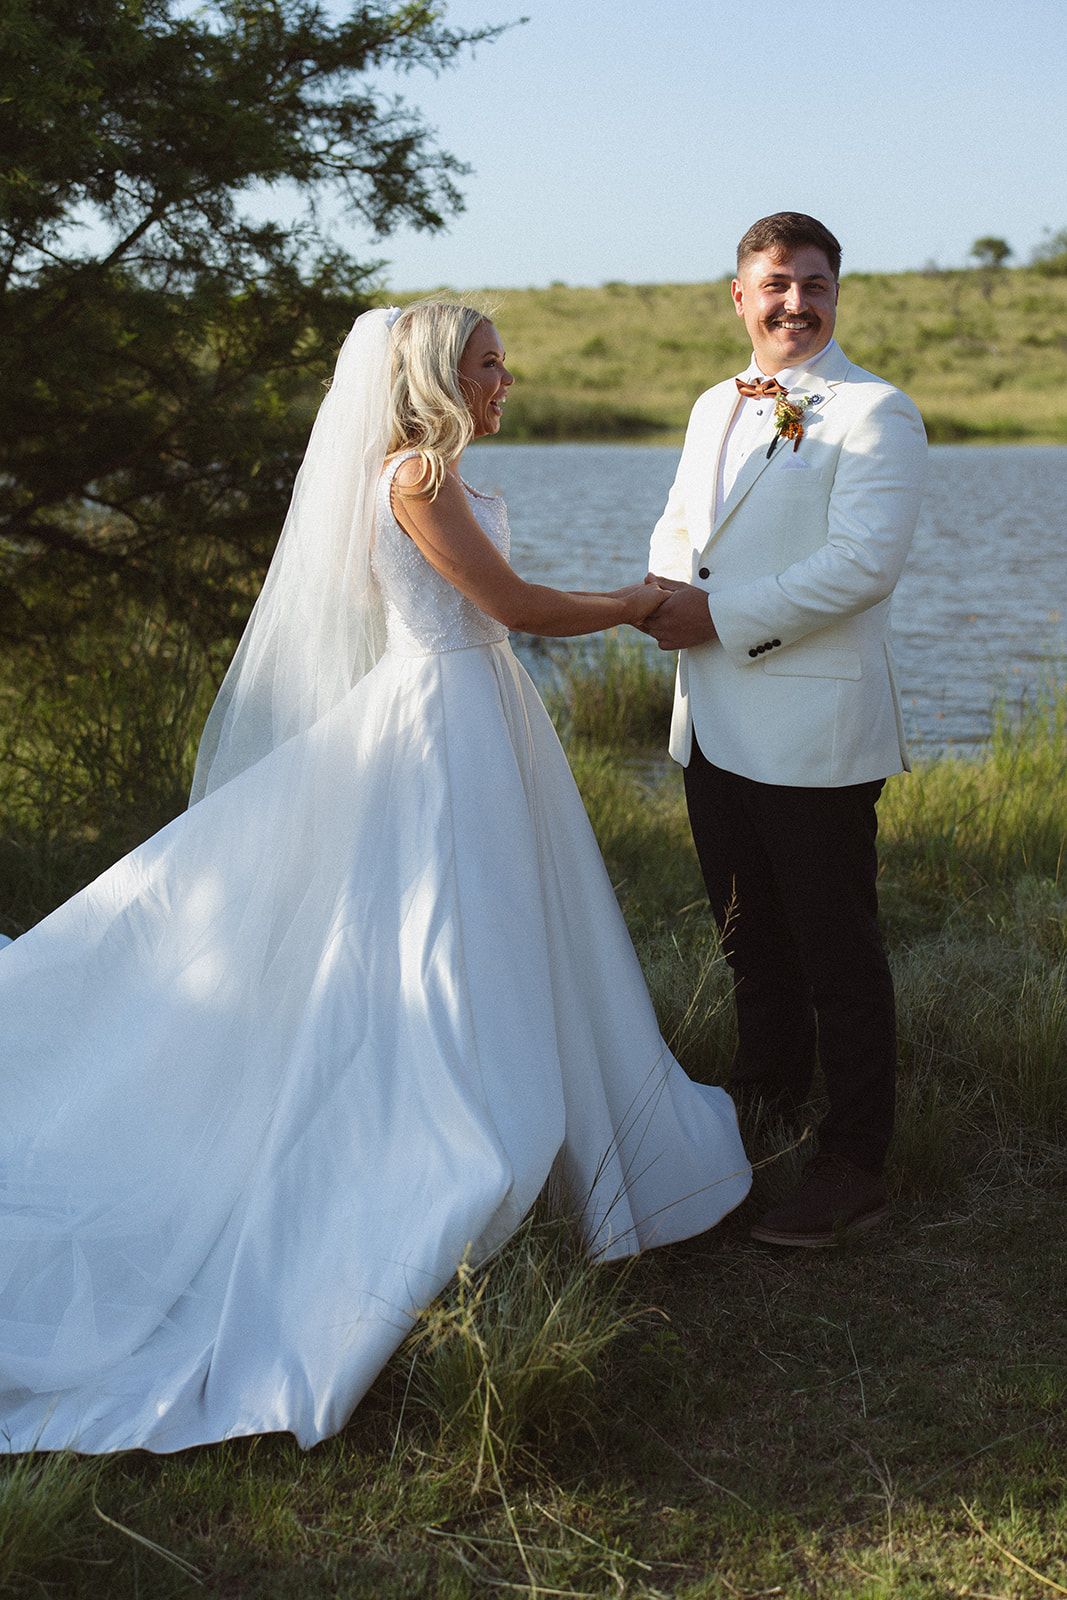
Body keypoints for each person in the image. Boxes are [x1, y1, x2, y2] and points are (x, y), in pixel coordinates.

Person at [0, 301, 750, 1455]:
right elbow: (511, 609)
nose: (508, 379)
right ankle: (468, 1142)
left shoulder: (424, 475)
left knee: (507, 926)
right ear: (435, 376)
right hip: (441, 718)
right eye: (487, 365)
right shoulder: (412, 475)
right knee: (447, 929)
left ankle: (567, 1157)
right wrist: (635, 603)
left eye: (501, 361)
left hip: (473, 707)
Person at [643, 214, 927, 1248]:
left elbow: (863, 565)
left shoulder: (873, 414)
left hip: (811, 730)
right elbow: (681, 524)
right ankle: (760, 1107)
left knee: (833, 951)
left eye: (813, 284)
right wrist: (659, 596)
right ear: (737, 295)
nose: (793, 303)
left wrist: (712, 617)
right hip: (708, 722)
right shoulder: (712, 404)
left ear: (834, 295)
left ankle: (853, 1163)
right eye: (774, 283)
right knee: (746, 939)